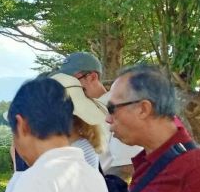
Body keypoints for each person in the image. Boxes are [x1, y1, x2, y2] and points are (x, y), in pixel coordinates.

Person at [57, 52, 141, 180]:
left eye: (73, 80)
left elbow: (128, 166)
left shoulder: (121, 109)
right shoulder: (74, 112)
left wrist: (99, 186)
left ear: (92, 77)